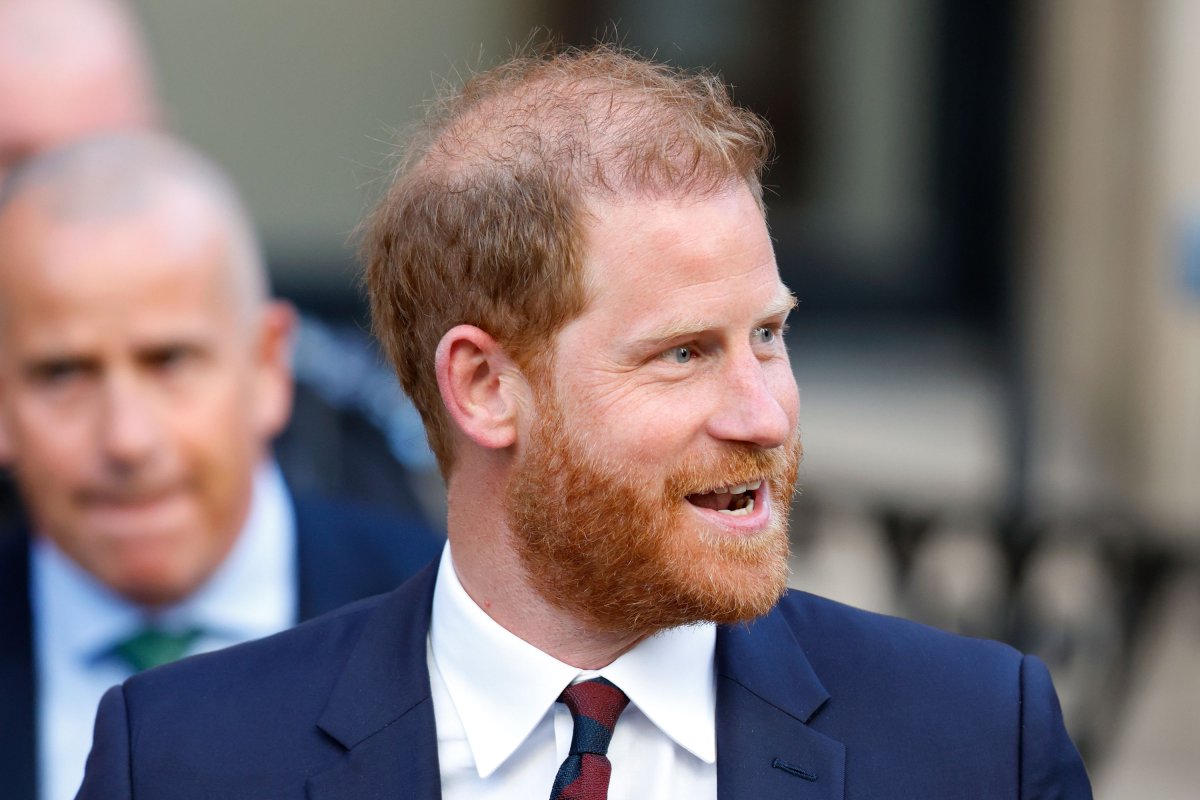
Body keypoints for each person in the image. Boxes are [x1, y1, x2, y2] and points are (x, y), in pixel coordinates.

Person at [76, 45, 1092, 798]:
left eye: (770, 334)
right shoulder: (182, 757)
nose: (764, 409)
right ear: (483, 385)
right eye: (684, 351)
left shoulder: (974, 743)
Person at [0, 133, 443, 800]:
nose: (126, 438)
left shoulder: (445, 620)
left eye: (170, 361)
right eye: (63, 373)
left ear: (268, 366)